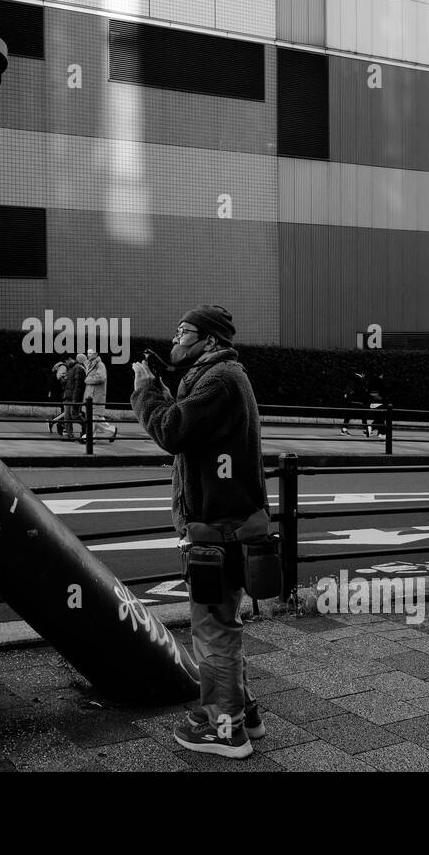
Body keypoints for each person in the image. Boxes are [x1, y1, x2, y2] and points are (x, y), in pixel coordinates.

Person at [132, 305, 268, 760]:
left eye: (184, 331)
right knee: (223, 625)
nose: (176, 337)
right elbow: (192, 427)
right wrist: (164, 390)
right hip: (227, 526)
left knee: (213, 632)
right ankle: (241, 710)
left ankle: (226, 731)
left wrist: (146, 392)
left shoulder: (221, 380)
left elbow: (172, 429)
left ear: (209, 340)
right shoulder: (219, 378)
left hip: (219, 531)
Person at [81, 348, 117, 443]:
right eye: (88, 353)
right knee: (95, 417)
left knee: (93, 417)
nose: (88, 355)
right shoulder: (92, 364)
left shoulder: (100, 365)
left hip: (96, 395)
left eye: (90, 353)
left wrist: (87, 379)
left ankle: (90, 437)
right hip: (91, 395)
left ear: (96, 354)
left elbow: (100, 377)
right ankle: (110, 431)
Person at [60, 353, 85, 440]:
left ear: (69, 359)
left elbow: (79, 386)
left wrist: (75, 399)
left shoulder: (77, 368)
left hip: (74, 397)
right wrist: (63, 380)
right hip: (67, 396)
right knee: (67, 416)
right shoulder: (70, 369)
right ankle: (69, 434)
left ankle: (86, 425)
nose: (65, 364)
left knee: (74, 415)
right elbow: (66, 385)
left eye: (65, 362)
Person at [340, 372, 371, 436]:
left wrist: (347, 394)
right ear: (363, 374)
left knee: (349, 415)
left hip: (353, 400)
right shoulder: (359, 379)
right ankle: (365, 430)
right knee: (363, 415)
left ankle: (344, 429)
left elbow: (350, 387)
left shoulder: (354, 379)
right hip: (357, 400)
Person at [46, 358, 69, 434]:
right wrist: (66, 378)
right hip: (59, 391)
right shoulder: (64, 367)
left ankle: (61, 425)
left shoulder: (58, 366)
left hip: (56, 390)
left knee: (65, 409)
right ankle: (59, 424)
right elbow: (60, 376)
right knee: (66, 409)